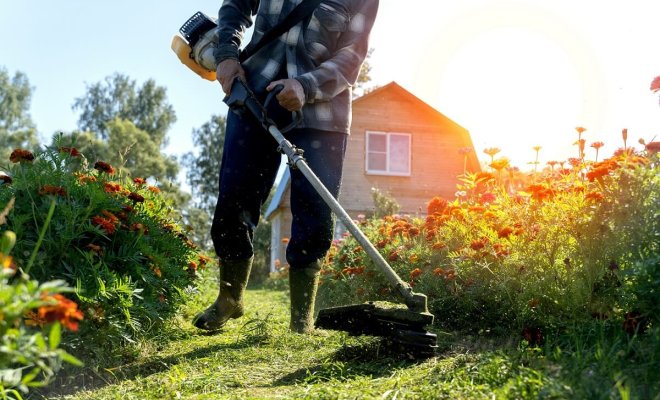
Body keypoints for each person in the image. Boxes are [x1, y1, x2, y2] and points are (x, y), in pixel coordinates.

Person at [193, 0, 379, 333]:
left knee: (314, 214)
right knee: (235, 198)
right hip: (254, 91)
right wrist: (227, 55)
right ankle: (229, 298)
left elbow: (352, 56)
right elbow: (235, 6)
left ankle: (300, 319)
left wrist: (305, 86)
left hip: (322, 110)